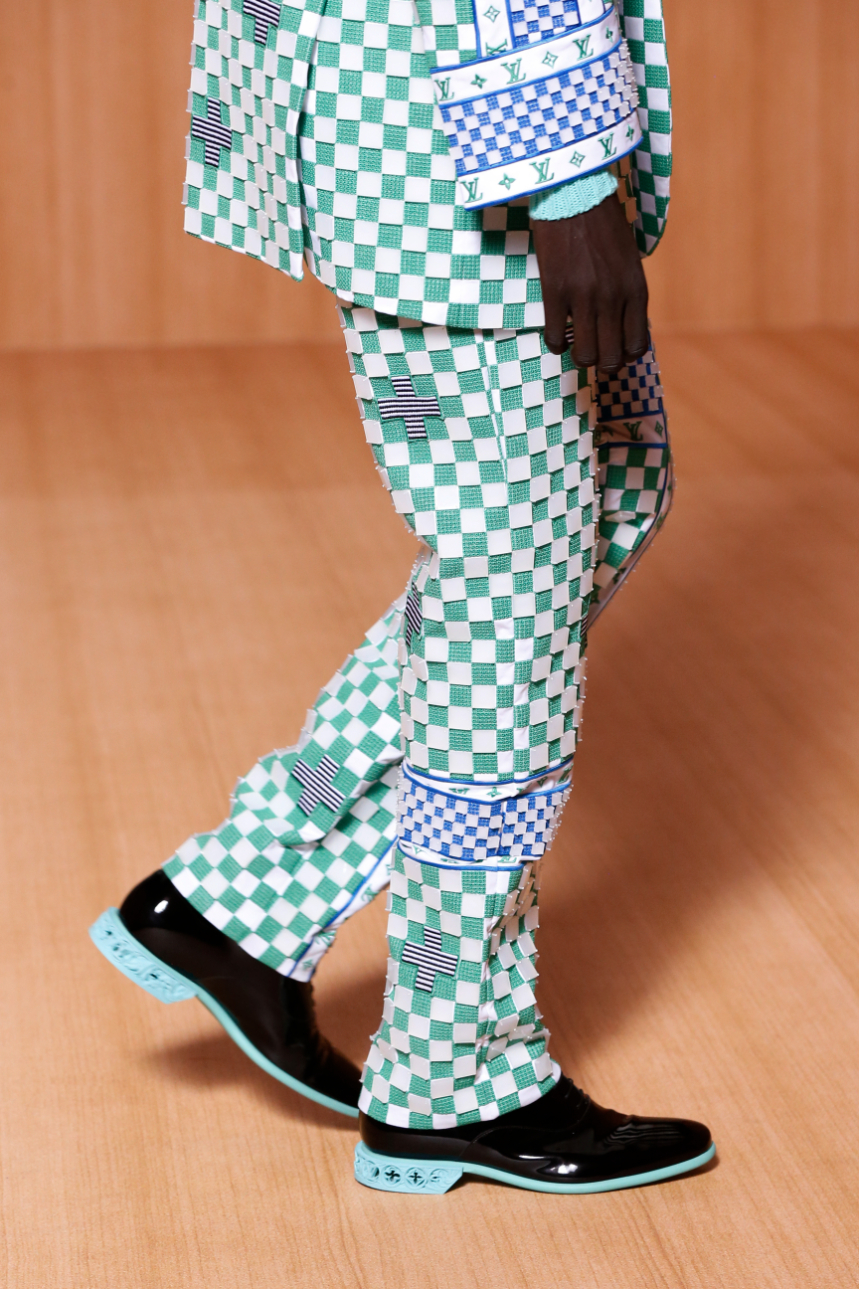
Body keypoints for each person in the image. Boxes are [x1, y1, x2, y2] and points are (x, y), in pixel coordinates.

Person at [91, 0, 715, 1194]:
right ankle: (454, 1066)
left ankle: (243, 895)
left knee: (603, 503)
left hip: (406, 116)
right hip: (461, 148)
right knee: (508, 609)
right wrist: (563, 177)